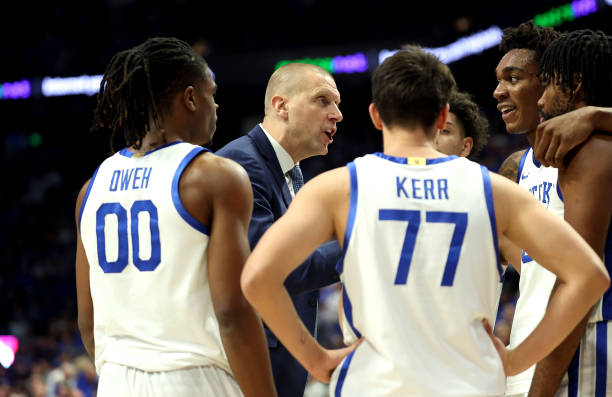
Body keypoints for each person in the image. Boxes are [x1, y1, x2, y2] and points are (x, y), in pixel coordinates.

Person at [240, 45, 609, 397]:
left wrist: (317, 360)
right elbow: (590, 276)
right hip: (469, 383)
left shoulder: (337, 188)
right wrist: (517, 358)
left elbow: (258, 277)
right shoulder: (495, 190)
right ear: (443, 116)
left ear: (376, 115)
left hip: (374, 384)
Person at [75, 37, 276, 397]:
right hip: (195, 379)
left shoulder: (91, 189)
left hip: (116, 381)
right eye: (211, 94)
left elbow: (87, 323)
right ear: (190, 98)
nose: (216, 105)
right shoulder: (214, 176)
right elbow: (232, 313)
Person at [492, 22, 612, 397]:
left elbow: (578, 279)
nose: (498, 92)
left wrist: (597, 115)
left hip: (581, 343)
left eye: (513, 78)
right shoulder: (514, 168)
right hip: (530, 345)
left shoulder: (593, 150)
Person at [216, 62, 343, 397]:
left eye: (338, 104)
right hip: (248, 372)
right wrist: (358, 240)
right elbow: (279, 271)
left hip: (281, 366)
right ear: (281, 106)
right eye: (323, 101)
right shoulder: (242, 165)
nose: (337, 114)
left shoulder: (292, 172)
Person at [529, 29, 612, 397]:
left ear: (576, 84)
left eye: (547, 85)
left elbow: (578, 283)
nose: (541, 101)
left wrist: (540, 390)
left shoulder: (592, 150)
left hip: (598, 333)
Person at [434, 89, 489, 159]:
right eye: (427, 130)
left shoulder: (478, 170)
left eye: (445, 131)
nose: (432, 137)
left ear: (465, 147)